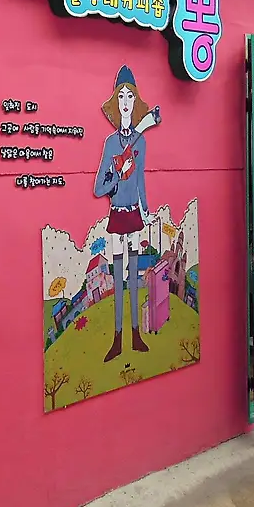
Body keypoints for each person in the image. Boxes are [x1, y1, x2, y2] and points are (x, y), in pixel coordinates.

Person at [93, 66, 161, 362]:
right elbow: (99, 187)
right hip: (117, 215)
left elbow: (141, 178)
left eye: (130, 96)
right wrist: (116, 176)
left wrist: (146, 210)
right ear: (115, 101)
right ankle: (118, 337)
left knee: (134, 277)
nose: (125, 102)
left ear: (135, 101)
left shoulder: (140, 141)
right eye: (120, 96)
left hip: (134, 216)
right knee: (119, 278)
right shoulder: (111, 143)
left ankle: (136, 334)